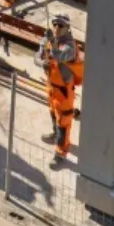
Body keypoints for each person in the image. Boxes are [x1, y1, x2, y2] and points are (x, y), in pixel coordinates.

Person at [39, 15, 84, 166]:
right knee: (53, 114)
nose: (57, 28)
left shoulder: (70, 46)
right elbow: (37, 55)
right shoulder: (48, 40)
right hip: (51, 87)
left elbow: (58, 56)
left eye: (60, 26)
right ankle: (55, 134)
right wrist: (42, 62)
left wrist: (51, 42)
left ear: (67, 28)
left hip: (64, 91)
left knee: (63, 122)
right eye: (55, 25)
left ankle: (61, 152)